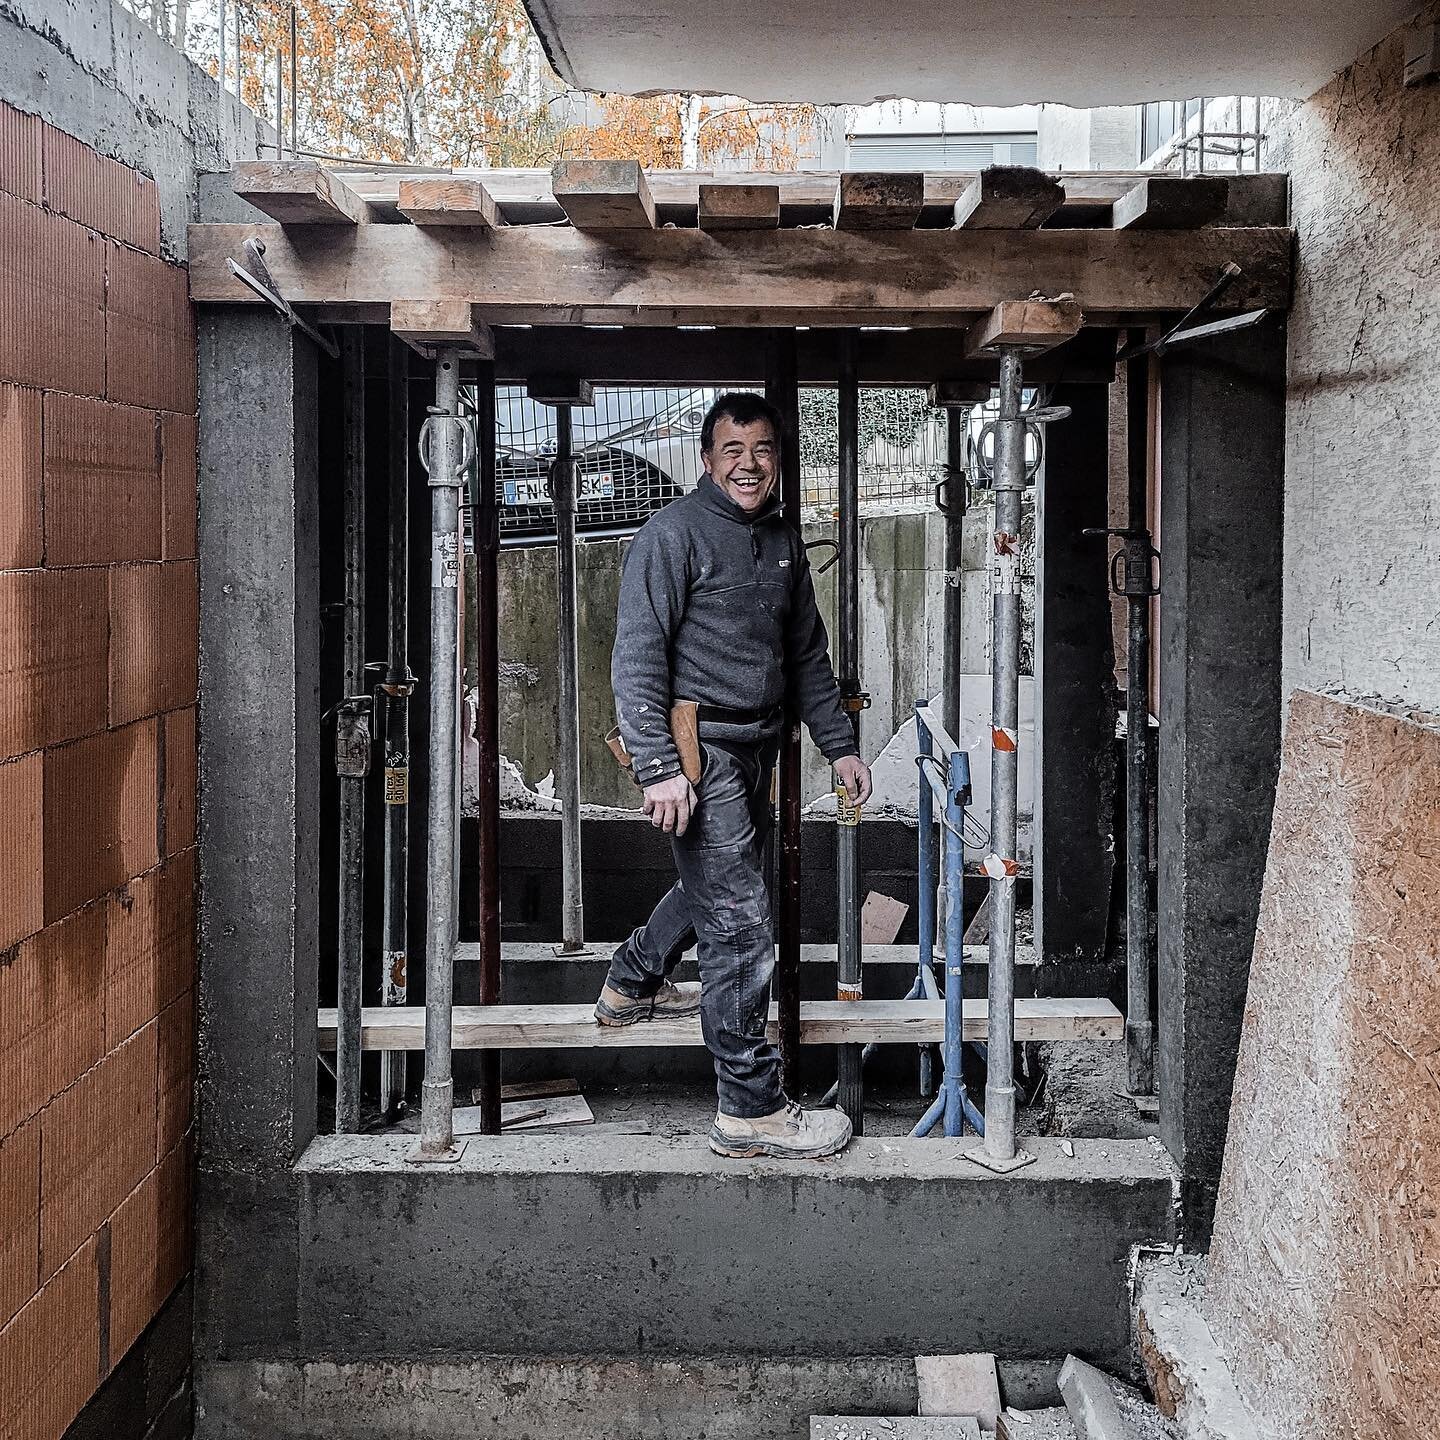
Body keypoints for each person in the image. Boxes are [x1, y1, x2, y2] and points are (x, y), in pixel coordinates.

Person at [595, 392, 872, 1159]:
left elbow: (807, 656)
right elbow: (638, 654)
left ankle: (630, 982)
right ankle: (749, 1108)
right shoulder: (672, 535)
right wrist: (658, 768)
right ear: (707, 459)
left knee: (716, 885)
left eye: (762, 451)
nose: (748, 465)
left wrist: (841, 746)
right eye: (731, 451)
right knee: (739, 921)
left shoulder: (782, 540)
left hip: (758, 746)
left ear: (775, 458)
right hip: (698, 751)